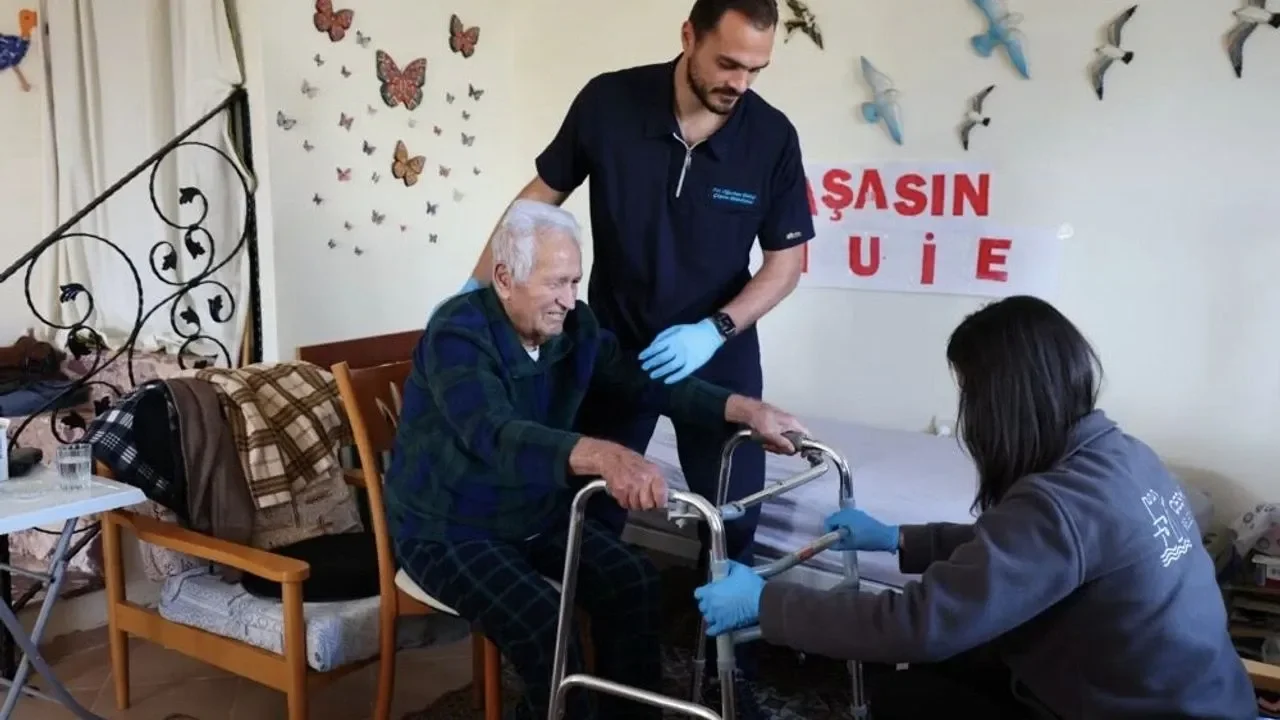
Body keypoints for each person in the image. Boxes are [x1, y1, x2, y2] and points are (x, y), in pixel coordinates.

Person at [445, 2, 813, 709]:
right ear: (688, 38)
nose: (740, 82)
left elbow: (787, 263)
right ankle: (594, 675)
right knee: (592, 515)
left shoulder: (770, 137)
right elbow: (534, 206)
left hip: (717, 351)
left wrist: (718, 328)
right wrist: (475, 290)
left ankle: (731, 680)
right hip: (613, 347)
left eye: (756, 69)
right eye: (727, 63)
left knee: (732, 525)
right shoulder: (610, 102)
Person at [691, 295, 1257, 719]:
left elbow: (918, 623)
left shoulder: (1061, 502)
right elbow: (1021, 553)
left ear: (1002, 399)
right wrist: (900, 540)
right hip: (1202, 696)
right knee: (959, 660)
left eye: (968, 392)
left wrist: (768, 602)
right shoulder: (1124, 456)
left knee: (906, 693)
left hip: (1136, 709)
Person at [387, 199, 808, 720]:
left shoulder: (574, 326)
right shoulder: (458, 334)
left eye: (575, 282)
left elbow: (642, 379)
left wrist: (744, 408)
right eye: (555, 283)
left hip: (532, 514)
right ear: (503, 277)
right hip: (448, 525)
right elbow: (493, 434)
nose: (569, 300)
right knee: (543, 622)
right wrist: (602, 455)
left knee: (634, 580)